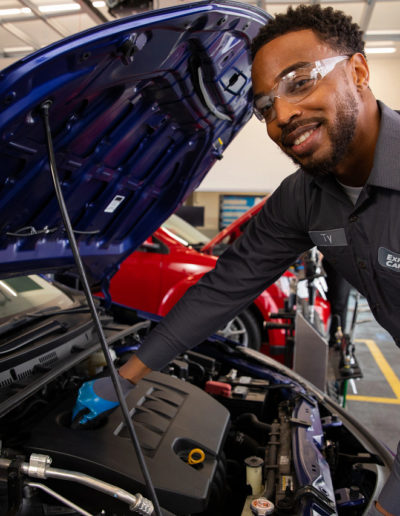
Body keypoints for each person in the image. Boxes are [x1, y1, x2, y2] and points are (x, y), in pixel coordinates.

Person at [73, 5, 400, 515]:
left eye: (299, 82)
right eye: (265, 105)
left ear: (358, 71)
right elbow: (224, 287)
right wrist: (128, 375)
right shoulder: (304, 197)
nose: (282, 116)